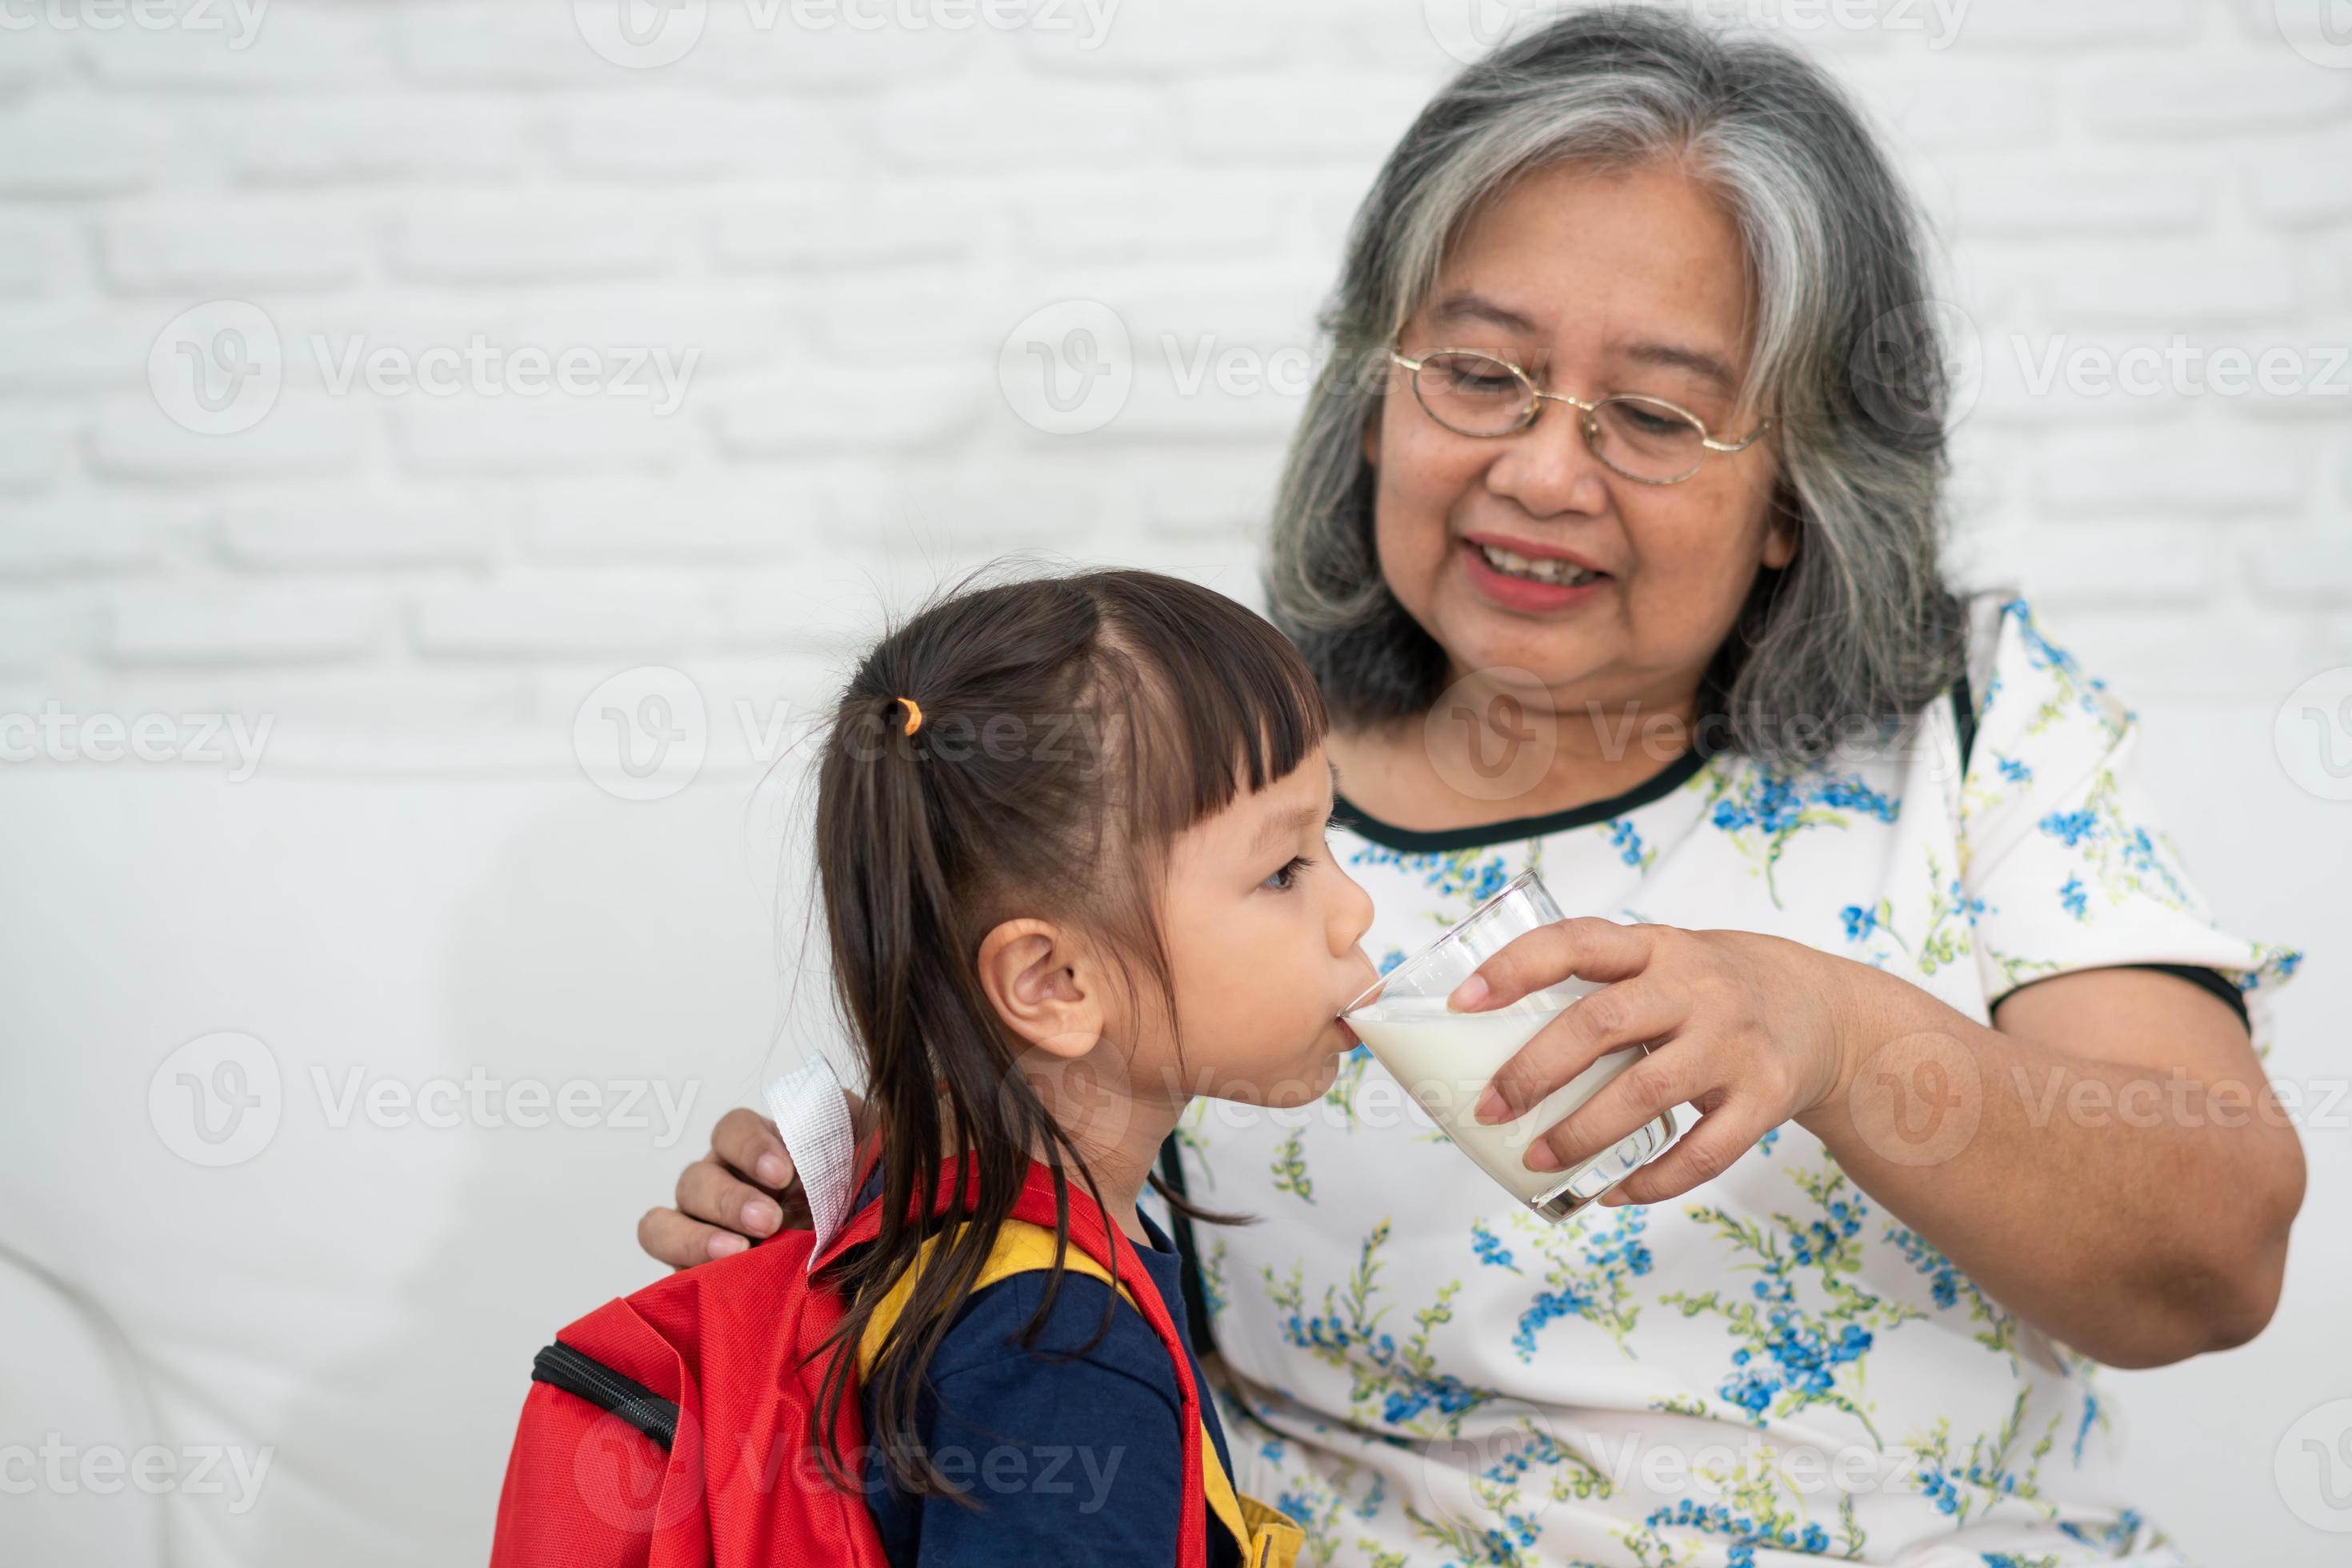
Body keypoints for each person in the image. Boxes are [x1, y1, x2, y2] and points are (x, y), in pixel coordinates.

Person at [638, 13, 2306, 1565]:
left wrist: (1837, 1032)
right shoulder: (1210, 783)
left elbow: (2214, 1255)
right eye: (1480, 372)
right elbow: (1037, 1177)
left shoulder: (1976, 725)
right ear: (1376, 393)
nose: (1541, 468)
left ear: (1803, 489)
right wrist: (855, 1203)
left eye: (1653, 414)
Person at [623, 567, 1373, 1566]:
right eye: (1284, 868)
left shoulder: (938, 1220)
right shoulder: (1061, 1356)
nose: (1355, 906)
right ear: (1055, 980)